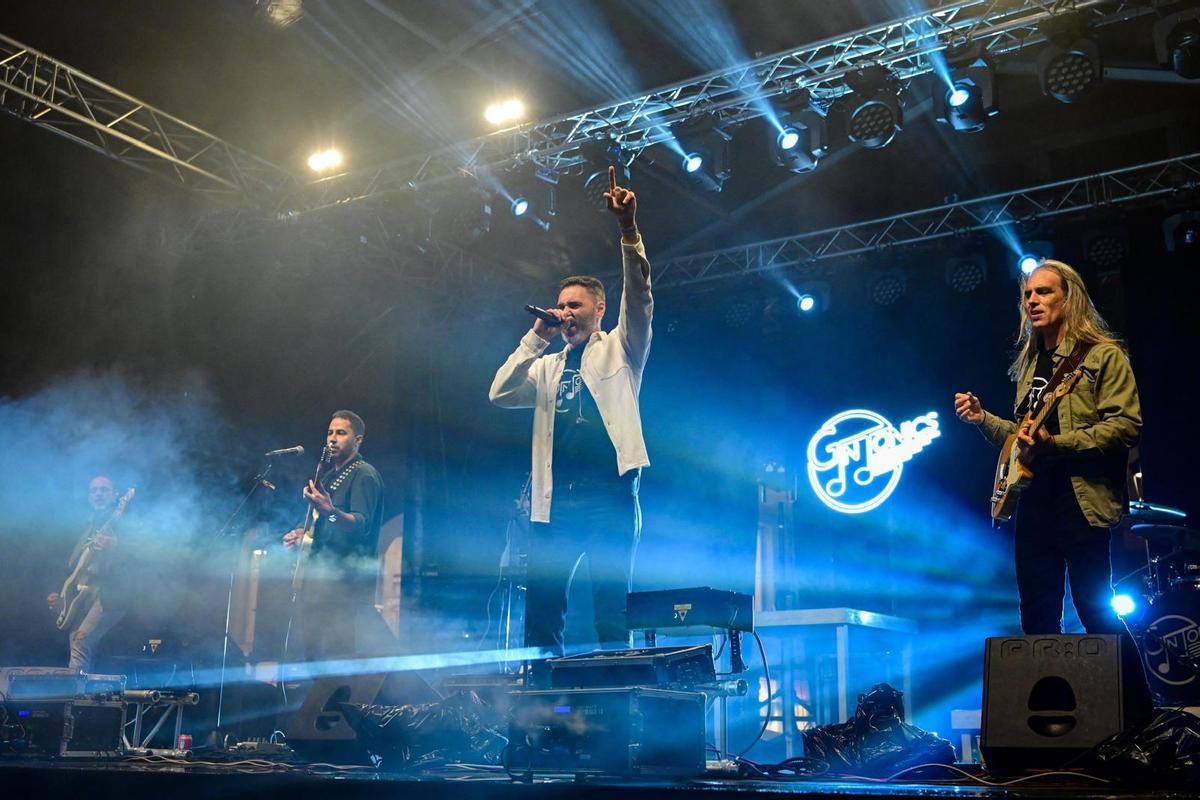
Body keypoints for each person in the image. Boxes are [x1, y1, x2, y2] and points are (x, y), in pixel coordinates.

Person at [490, 166, 652, 657]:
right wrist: (536, 337)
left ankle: (618, 710)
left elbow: (640, 299)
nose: (564, 313)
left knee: (610, 610)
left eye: (574, 306)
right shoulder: (545, 367)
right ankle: (543, 713)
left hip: (608, 496)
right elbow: (498, 392)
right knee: (542, 613)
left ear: (598, 310)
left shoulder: (621, 350)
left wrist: (628, 232)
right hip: (554, 503)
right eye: (559, 305)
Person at [954, 260, 1141, 636]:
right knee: (1037, 617)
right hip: (1035, 500)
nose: (1032, 301)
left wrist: (1056, 443)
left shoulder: (1103, 355)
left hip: (1081, 499)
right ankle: (1050, 697)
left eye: (1044, 292)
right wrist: (982, 419)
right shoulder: (1030, 365)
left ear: (1068, 298)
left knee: (1095, 612)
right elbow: (1020, 435)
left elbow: (1125, 426)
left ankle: (1133, 697)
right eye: (1027, 294)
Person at [283, 410, 385, 663]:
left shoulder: (364, 474)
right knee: (311, 655)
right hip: (318, 581)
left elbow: (359, 525)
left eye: (341, 433)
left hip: (344, 585)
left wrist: (330, 511)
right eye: (330, 432)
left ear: (358, 440)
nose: (332, 439)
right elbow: (317, 521)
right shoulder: (328, 477)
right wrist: (299, 533)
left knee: (335, 658)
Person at [47, 475, 129, 673]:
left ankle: (76, 697)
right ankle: (80, 695)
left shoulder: (124, 520)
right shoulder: (88, 525)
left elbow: (148, 550)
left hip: (112, 596)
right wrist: (58, 591)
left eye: (104, 489)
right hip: (85, 595)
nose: (98, 494)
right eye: (94, 490)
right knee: (76, 641)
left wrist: (115, 544)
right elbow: (71, 564)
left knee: (80, 640)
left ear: (115, 494)